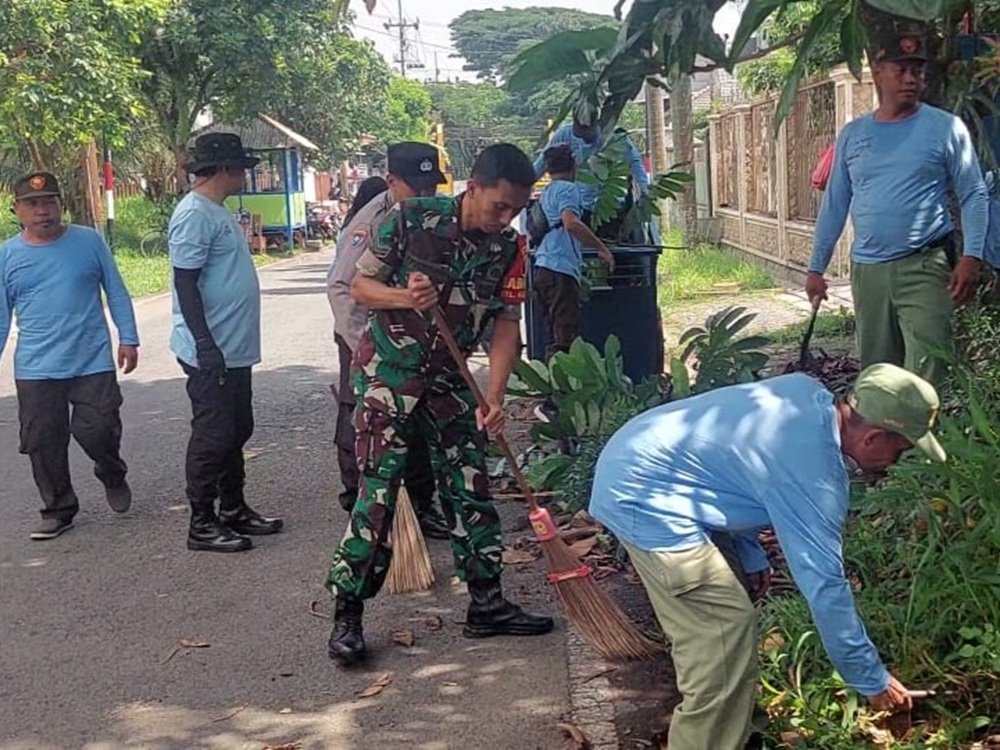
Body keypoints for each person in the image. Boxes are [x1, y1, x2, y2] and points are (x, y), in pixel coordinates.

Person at [590, 363, 944, 749]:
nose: (898, 461)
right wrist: (870, 678)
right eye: (902, 449)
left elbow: (736, 465)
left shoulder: (804, 394)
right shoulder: (814, 474)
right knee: (723, 631)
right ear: (874, 438)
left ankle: (735, 725)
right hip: (644, 495)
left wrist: (750, 550)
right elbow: (824, 587)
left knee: (725, 613)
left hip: (647, 461)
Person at [325, 143, 554, 666]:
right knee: (379, 492)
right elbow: (358, 285)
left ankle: (487, 603)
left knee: (470, 486)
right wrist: (406, 297)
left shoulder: (508, 249)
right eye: (499, 206)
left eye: (515, 210)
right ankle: (348, 613)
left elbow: (504, 324)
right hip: (389, 376)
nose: (505, 219)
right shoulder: (411, 218)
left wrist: (493, 397)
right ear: (472, 188)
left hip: (450, 382)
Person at [806, 30, 989, 386]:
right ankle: (883, 441)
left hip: (925, 265)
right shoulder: (853, 135)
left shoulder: (945, 128)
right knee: (877, 376)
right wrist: (816, 268)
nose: (911, 79)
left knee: (928, 369)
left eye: (917, 72)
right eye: (900, 70)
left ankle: (922, 442)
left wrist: (972, 256)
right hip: (868, 273)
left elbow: (974, 193)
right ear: (877, 71)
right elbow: (835, 204)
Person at [0, 171, 139, 540]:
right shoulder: (7, 255)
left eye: (49, 202)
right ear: (17, 210)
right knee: (42, 441)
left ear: (61, 204)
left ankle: (111, 470)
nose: (42, 211)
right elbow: (0, 314)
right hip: (36, 367)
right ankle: (58, 509)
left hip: (91, 360)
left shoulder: (89, 242)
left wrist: (129, 337)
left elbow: (117, 290)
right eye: (32, 204)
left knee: (98, 430)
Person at [326, 146, 449, 539]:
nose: (425, 194)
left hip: (412, 339)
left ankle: (420, 506)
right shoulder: (371, 220)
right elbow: (342, 286)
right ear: (392, 181)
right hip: (364, 336)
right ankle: (362, 504)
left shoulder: (433, 214)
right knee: (362, 418)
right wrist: (366, 345)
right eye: (417, 187)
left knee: (416, 419)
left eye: (431, 186)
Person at [168, 133, 283, 553]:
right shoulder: (195, 214)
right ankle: (202, 522)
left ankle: (233, 507)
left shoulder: (216, 211)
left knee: (237, 428)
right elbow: (185, 282)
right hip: (211, 348)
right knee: (213, 435)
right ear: (221, 171)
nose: (243, 175)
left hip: (233, 347)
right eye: (238, 168)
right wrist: (204, 343)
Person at [533, 144, 615, 363]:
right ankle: (564, 390)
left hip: (543, 266)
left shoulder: (547, 192)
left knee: (553, 332)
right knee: (567, 335)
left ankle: (551, 382)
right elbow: (571, 223)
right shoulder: (568, 190)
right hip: (560, 268)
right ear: (573, 166)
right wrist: (601, 247)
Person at [534, 114, 650, 218]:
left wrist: (645, 193)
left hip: (612, 205)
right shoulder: (564, 134)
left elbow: (635, 163)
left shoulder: (614, 136)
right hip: (580, 207)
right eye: (580, 134)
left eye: (586, 132)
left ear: (597, 124)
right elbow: (542, 163)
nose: (583, 138)